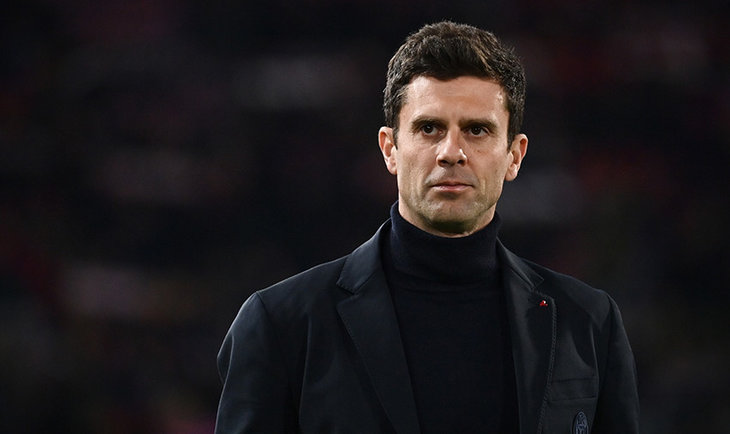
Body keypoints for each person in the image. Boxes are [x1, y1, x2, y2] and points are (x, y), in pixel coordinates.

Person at [215, 21, 639, 433]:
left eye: (477, 130)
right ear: (390, 149)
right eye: (429, 128)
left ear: (515, 155)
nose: (451, 152)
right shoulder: (281, 325)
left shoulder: (588, 323)